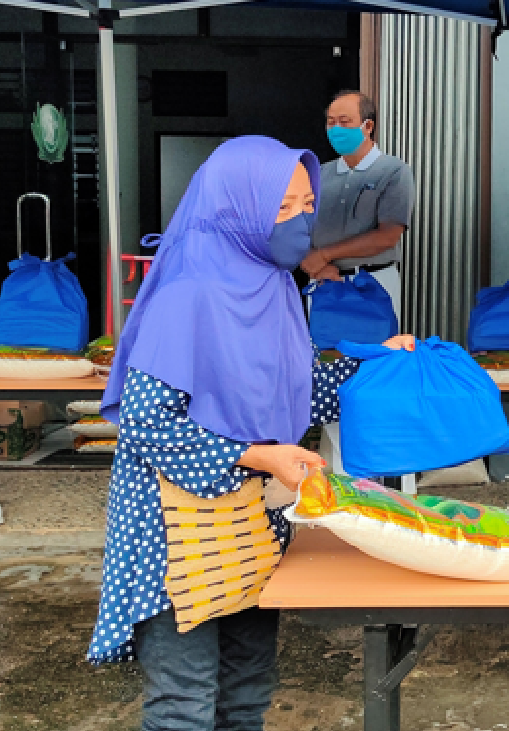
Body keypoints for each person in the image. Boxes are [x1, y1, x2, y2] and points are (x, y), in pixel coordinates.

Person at [89, 136, 414, 731]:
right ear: (236, 208)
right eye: (282, 207)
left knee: (247, 692)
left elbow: (298, 390)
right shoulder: (187, 297)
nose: (301, 221)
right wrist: (258, 455)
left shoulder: (274, 289)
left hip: (250, 523)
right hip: (175, 535)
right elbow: (144, 422)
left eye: (306, 204)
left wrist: (377, 364)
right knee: (184, 702)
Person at [303, 89, 415, 318]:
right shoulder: (319, 174)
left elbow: (387, 236)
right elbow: (297, 226)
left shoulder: (393, 171)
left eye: (345, 122)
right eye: (331, 122)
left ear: (368, 126)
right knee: (324, 350)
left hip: (373, 281)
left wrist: (324, 255)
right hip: (324, 281)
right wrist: (313, 262)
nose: (336, 129)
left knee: (375, 350)